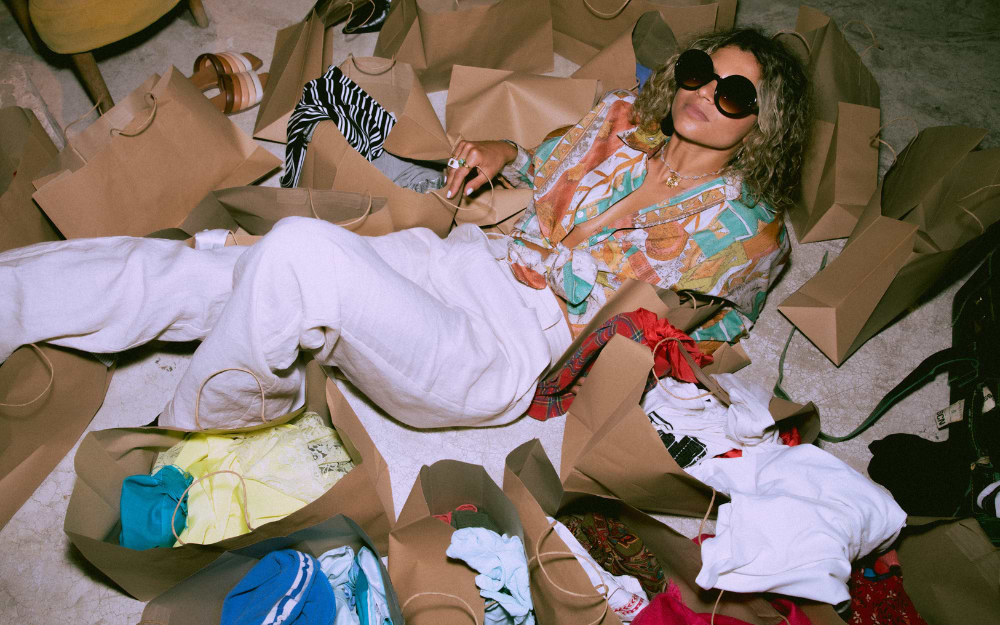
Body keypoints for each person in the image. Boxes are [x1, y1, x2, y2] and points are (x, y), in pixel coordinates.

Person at [0, 28, 808, 431]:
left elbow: (711, 337)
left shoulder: (750, 232)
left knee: (301, 254)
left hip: (507, 352)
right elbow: (533, 172)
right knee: (205, 270)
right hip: (457, 261)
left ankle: (195, 433)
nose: (705, 94)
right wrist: (506, 153)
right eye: (702, 73)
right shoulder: (621, 118)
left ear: (762, 125)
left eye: (735, 95)